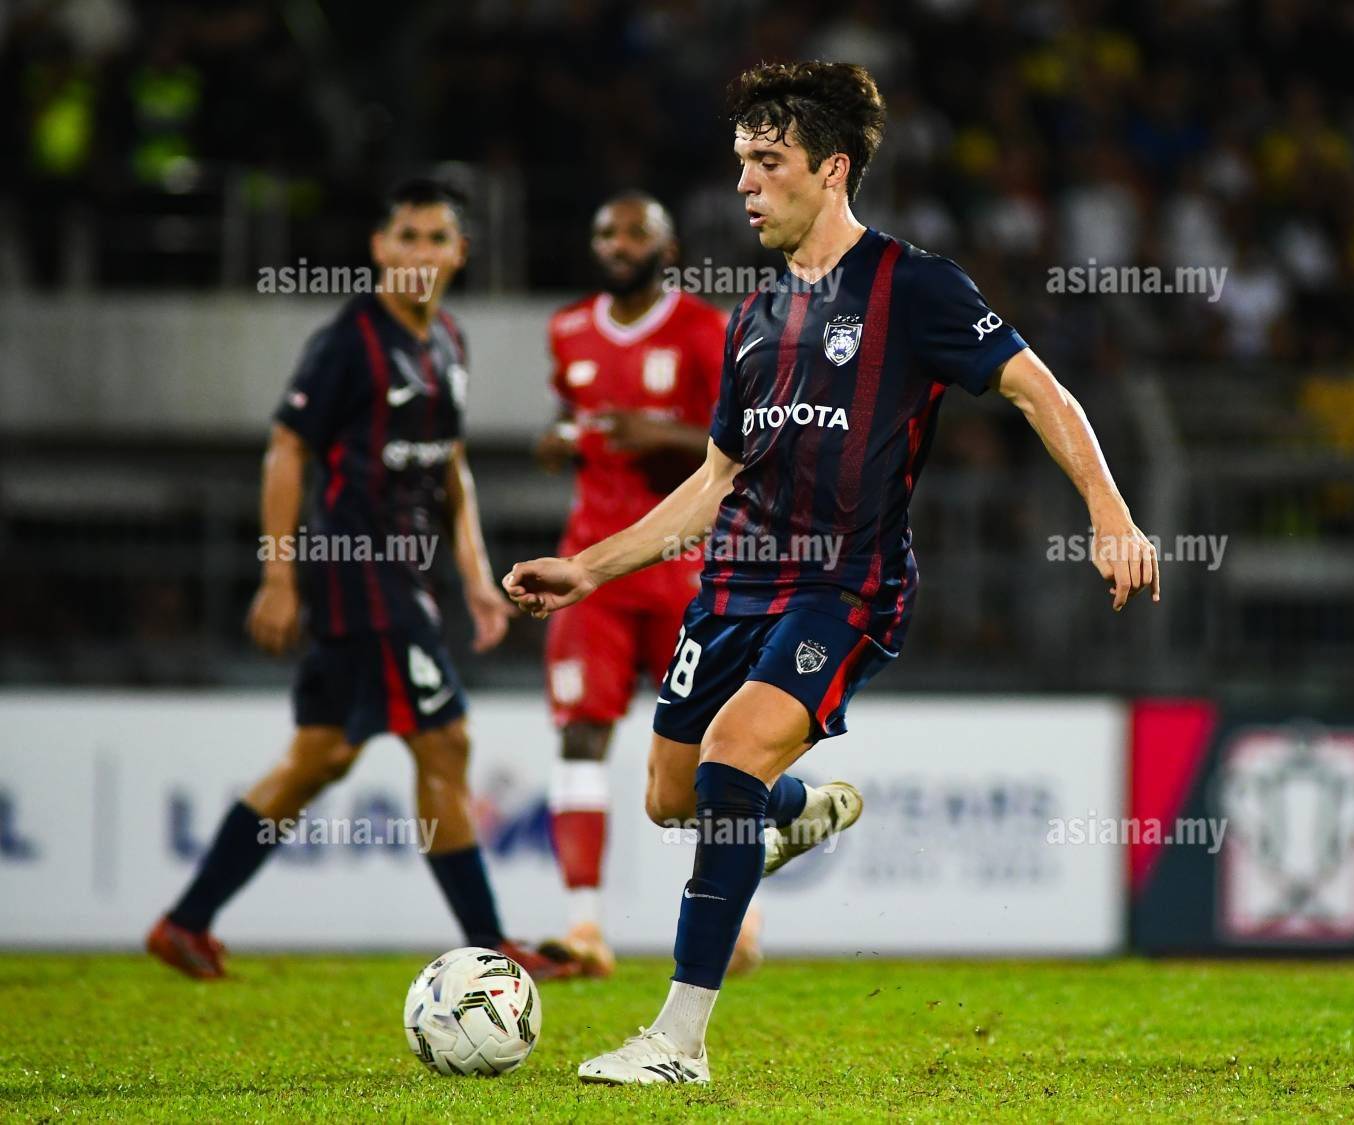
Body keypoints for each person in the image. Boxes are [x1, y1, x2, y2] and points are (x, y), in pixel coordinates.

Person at [503, 62, 1159, 1085]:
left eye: (768, 162)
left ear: (833, 168)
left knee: (728, 767)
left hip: (844, 589)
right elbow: (714, 482)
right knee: (672, 798)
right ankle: (796, 811)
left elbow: (1040, 391)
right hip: (731, 589)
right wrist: (587, 569)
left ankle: (677, 1041)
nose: (745, 184)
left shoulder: (915, 287)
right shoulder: (754, 316)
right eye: (741, 164)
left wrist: (1109, 514)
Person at [146, 178, 576, 982]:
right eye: (405, 236)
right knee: (444, 738)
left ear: (460, 253)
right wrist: (277, 574)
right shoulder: (349, 340)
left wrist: (477, 578)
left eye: (436, 238)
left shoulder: (448, 339)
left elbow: (450, 466)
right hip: (359, 572)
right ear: (379, 248)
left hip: (409, 574)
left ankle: (185, 921)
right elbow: (287, 447)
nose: (419, 252)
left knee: (322, 753)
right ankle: (491, 946)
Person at [534, 192, 764, 977]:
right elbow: (571, 414)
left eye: (637, 232)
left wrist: (658, 433)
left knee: (715, 745)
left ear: (668, 250)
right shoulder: (568, 328)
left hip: (683, 568)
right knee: (579, 734)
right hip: (590, 568)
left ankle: (742, 915)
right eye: (607, 231)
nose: (619, 243)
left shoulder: (706, 329)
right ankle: (583, 928)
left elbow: (745, 444)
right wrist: (558, 440)